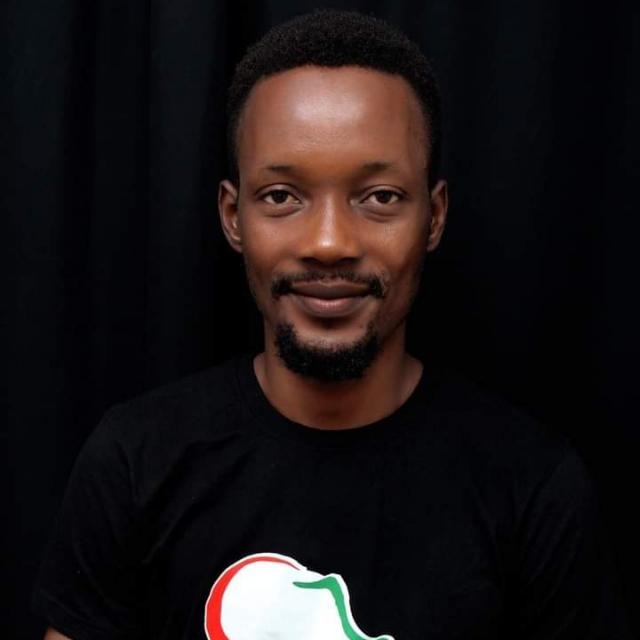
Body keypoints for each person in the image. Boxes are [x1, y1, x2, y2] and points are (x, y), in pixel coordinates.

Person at [34, 9, 632, 640]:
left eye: (379, 198)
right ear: (233, 217)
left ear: (433, 216)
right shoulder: (135, 460)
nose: (328, 243)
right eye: (282, 197)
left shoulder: (532, 488)